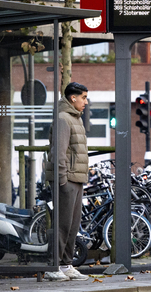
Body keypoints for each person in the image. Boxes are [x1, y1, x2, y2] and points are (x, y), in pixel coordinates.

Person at [44, 82, 90, 282]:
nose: (85, 102)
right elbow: (58, 152)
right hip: (67, 179)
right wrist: (61, 180)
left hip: (77, 178)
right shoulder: (64, 118)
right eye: (84, 98)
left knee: (73, 225)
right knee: (62, 224)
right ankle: (53, 266)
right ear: (73, 98)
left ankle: (66, 264)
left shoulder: (75, 118)